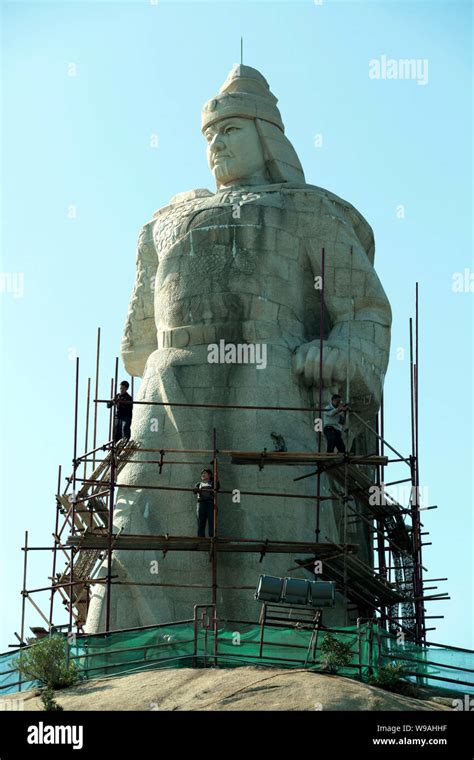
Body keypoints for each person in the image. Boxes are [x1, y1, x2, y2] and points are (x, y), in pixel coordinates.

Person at [193, 469, 218, 537]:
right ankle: (201, 537)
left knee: (211, 521)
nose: (203, 475)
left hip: (210, 504)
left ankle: (212, 537)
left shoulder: (212, 483)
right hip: (201, 504)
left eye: (205, 473)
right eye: (202, 474)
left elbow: (217, 487)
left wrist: (215, 479)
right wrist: (196, 489)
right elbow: (194, 491)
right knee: (201, 521)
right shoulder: (198, 484)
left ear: (209, 475)